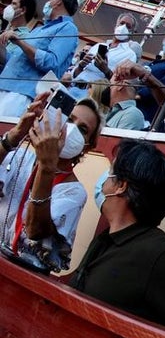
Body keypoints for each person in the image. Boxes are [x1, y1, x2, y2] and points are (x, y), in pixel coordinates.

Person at [69, 139, 165, 338]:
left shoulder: (158, 256)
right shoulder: (106, 240)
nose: (103, 181)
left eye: (110, 171)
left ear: (121, 185)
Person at [0, 91, 103, 272]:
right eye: (69, 119)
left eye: (82, 129)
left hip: (23, 278)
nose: (71, 129)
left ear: (87, 148)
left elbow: (35, 230)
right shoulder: (20, 158)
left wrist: (47, 166)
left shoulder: (74, 192)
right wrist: (14, 136)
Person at [0, 0, 80, 117]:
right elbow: (12, 60)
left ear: (58, 0)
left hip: (21, 93)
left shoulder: (68, 28)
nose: (48, 2)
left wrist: (20, 42)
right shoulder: (39, 30)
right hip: (4, 84)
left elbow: (51, 62)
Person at [63, 12, 142, 100]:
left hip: (92, 95)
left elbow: (119, 84)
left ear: (132, 32)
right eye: (122, 23)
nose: (123, 27)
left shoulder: (130, 55)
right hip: (73, 87)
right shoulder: (98, 46)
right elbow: (75, 74)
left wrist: (105, 69)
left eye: (128, 26)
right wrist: (81, 65)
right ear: (116, 25)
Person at [0, 0, 38, 75]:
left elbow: (8, 60)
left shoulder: (24, 37)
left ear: (23, 10)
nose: (9, 7)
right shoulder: (6, 29)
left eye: (14, 4)